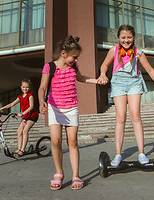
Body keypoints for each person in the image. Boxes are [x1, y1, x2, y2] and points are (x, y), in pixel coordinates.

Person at [97, 24, 154, 167]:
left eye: (129, 37)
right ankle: (118, 154)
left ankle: (141, 153)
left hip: (134, 83)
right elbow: (104, 65)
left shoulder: (138, 53)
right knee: (121, 117)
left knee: (135, 115)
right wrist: (103, 74)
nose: (126, 40)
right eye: (123, 37)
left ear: (133, 37)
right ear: (118, 38)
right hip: (118, 84)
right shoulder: (113, 50)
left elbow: (151, 70)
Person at [38, 35, 98, 190]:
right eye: (74, 57)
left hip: (71, 108)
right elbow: (42, 88)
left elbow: (81, 78)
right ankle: (59, 173)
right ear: (63, 53)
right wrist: (41, 102)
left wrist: (95, 80)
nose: (76, 60)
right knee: (56, 141)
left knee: (73, 142)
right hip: (54, 107)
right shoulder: (49, 67)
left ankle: (75, 175)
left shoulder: (74, 67)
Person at [0, 79, 39, 157]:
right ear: (21, 87)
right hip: (25, 116)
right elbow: (11, 104)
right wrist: (0, 109)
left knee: (25, 131)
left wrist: (22, 113)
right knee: (19, 131)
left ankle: (22, 150)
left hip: (32, 116)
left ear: (29, 88)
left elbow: (31, 106)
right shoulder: (20, 96)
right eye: (23, 87)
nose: (25, 89)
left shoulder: (30, 96)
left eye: (27, 87)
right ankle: (19, 148)